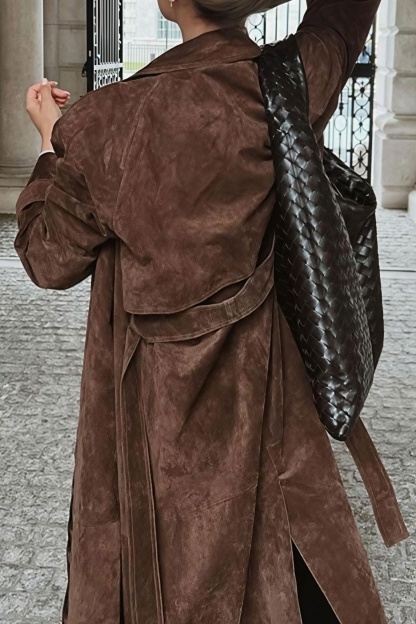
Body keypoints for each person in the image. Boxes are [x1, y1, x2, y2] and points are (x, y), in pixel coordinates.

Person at [15, 0, 408, 622]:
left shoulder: (104, 121)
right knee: (285, 563)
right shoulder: (288, 83)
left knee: (143, 561)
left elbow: (47, 258)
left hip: (142, 408)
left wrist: (48, 144)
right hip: (265, 390)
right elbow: (344, 13)